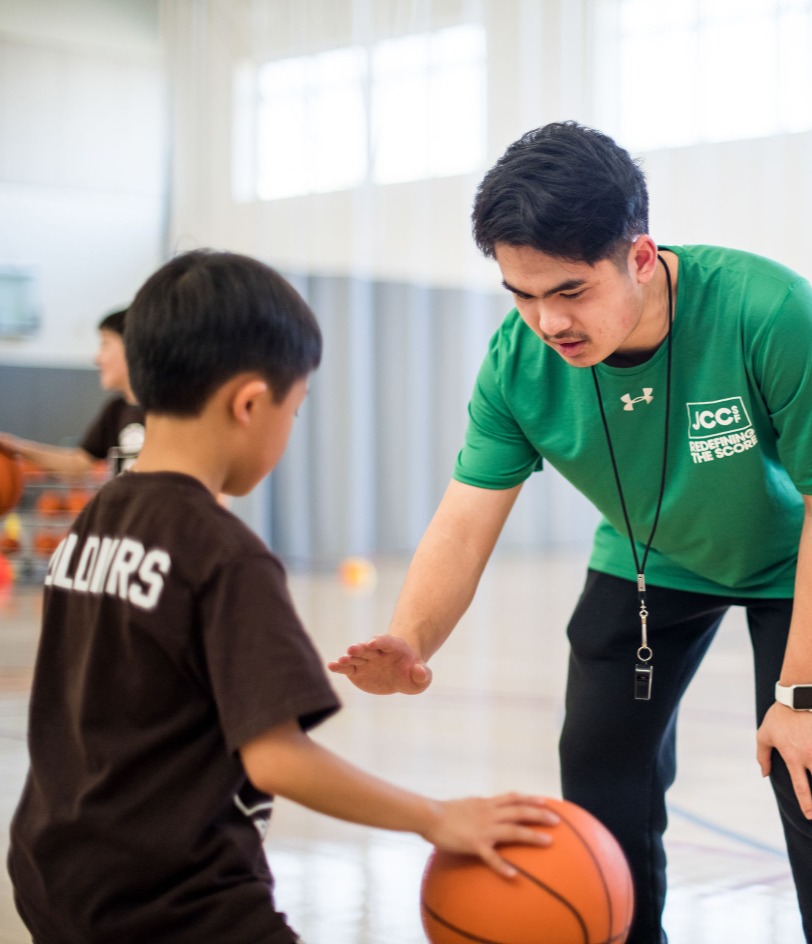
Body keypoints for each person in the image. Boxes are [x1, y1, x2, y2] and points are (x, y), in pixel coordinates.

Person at [331, 122, 812, 943]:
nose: (547, 322)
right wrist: (410, 637)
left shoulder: (767, 309)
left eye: (569, 292)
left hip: (809, 555)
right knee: (602, 777)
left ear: (639, 257)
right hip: (652, 554)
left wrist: (802, 695)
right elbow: (465, 519)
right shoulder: (517, 364)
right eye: (522, 295)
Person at [7, 249, 557, 944]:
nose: (290, 429)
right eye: (295, 410)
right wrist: (435, 816)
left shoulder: (96, 520)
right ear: (249, 403)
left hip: (55, 874)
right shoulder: (223, 556)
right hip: (179, 905)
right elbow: (277, 759)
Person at [0, 308, 146, 477]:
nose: (97, 358)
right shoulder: (116, 410)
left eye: (105, 344)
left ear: (133, 348)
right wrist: (17, 446)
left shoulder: (165, 412)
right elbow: (79, 463)